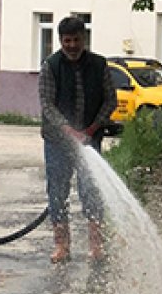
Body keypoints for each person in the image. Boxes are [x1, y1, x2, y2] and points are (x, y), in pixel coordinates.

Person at [37, 16, 117, 263]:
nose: (72, 45)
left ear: (85, 39)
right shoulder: (51, 66)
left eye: (76, 40)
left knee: (91, 190)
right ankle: (62, 246)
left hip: (90, 138)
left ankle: (96, 246)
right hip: (57, 141)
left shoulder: (99, 65)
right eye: (67, 41)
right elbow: (47, 105)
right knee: (57, 192)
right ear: (60, 41)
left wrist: (92, 128)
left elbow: (110, 100)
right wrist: (68, 130)